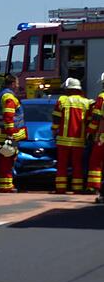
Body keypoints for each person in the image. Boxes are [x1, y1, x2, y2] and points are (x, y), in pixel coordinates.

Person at [52, 78, 92, 194]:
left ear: (69, 89)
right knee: (77, 165)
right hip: (79, 140)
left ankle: (60, 188)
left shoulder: (62, 100)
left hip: (63, 140)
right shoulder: (86, 103)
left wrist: (54, 130)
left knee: (62, 165)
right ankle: (77, 188)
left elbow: (56, 118)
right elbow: (89, 121)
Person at [0, 74, 28, 192]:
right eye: (17, 83)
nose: (17, 86)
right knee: (7, 160)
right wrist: (10, 133)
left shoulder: (1, 94)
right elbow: (8, 116)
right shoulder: (9, 97)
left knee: (5, 160)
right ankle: (5, 186)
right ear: (12, 84)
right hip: (7, 135)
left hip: (1, 133)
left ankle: (5, 185)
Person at [85, 72, 104, 202]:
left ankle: (95, 187)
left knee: (96, 161)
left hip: (102, 137)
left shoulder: (102, 97)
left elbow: (97, 118)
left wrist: (91, 132)